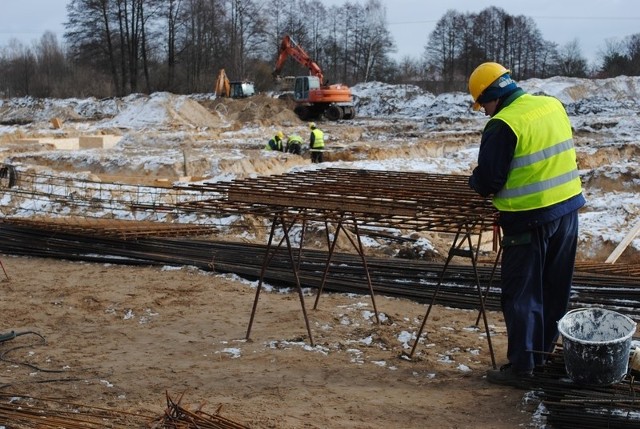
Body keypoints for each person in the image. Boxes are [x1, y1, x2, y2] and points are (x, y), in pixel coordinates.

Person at [467, 62, 586, 387]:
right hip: (567, 213)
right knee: (553, 290)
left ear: (491, 95)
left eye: (483, 104)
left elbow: (490, 179)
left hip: (528, 220)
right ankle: (542, 358)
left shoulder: (503, 124)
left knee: (522, 295)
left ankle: (523, 368)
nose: (485, 112)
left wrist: (474, 183)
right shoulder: (551, 105)